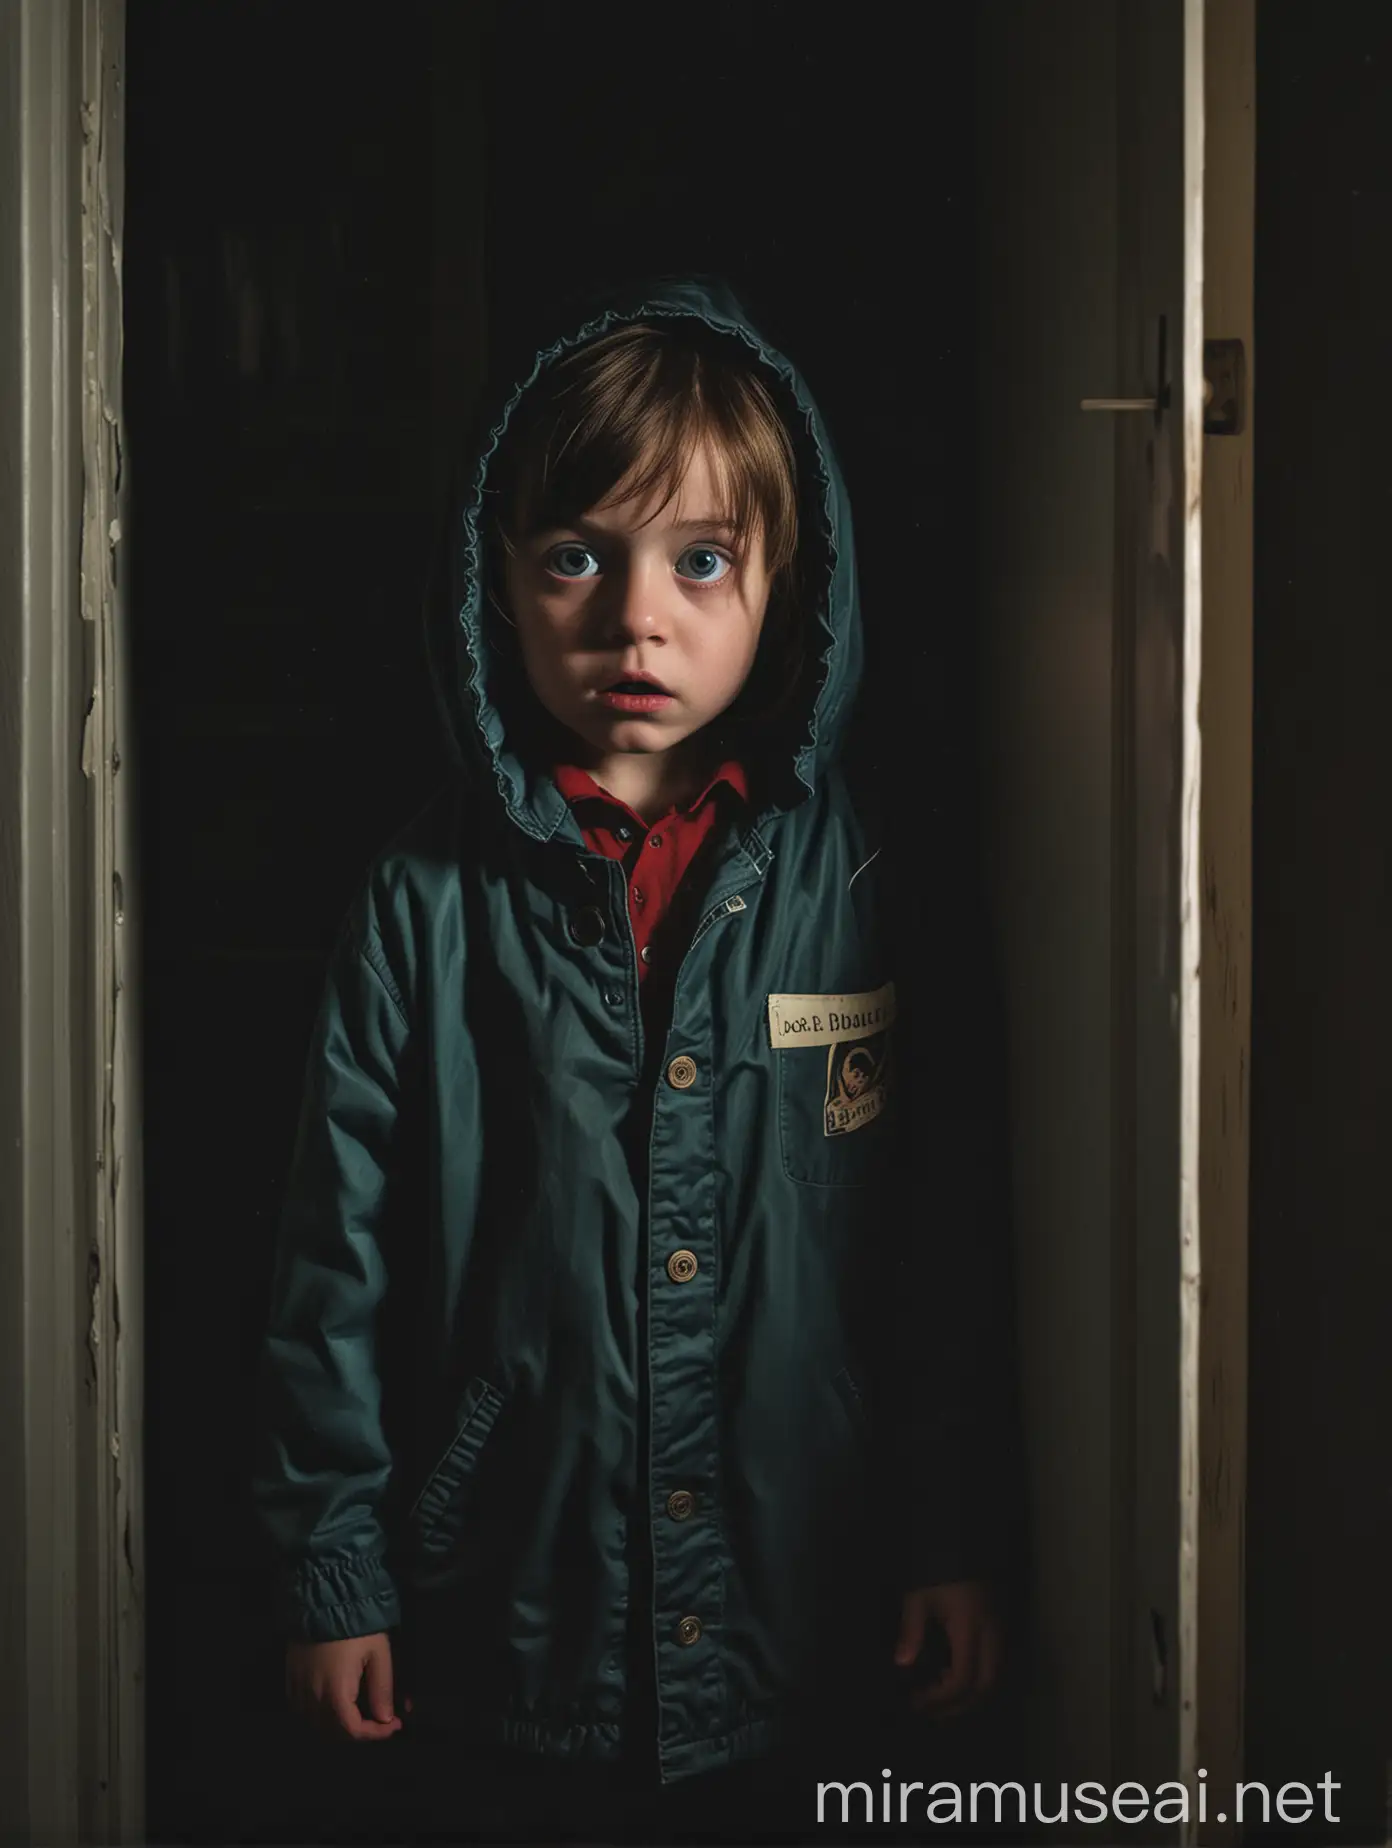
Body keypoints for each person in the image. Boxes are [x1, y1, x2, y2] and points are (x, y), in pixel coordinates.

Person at [251, 276, 1014, 1844]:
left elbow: (930, 1243)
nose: (634, 618)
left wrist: (945, 1529)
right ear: (496, 582)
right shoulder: (423, 901)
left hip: (803, 1599)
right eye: (577, 557)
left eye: (702, 561)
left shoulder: (864, 884)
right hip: (505, 1612)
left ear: (786, 586)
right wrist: (339, 1567)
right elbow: (333, 1264)